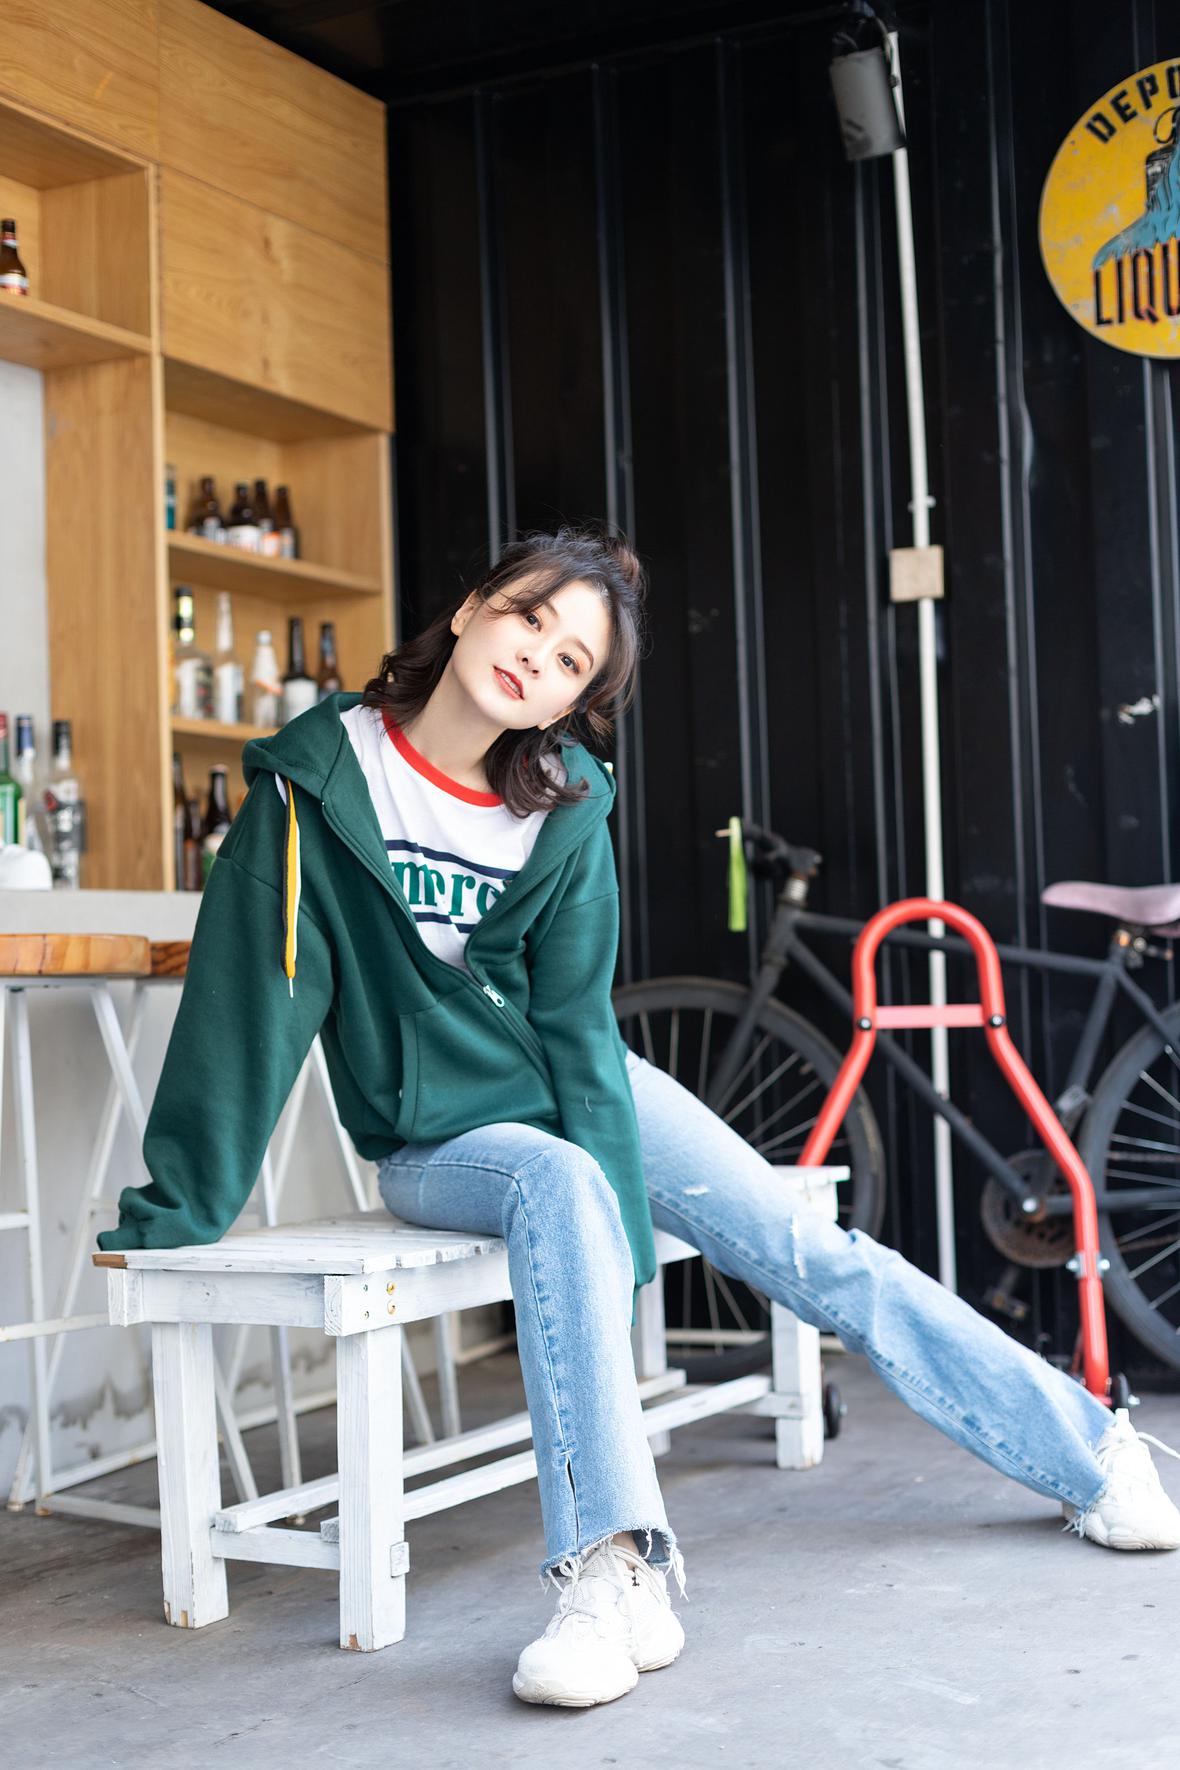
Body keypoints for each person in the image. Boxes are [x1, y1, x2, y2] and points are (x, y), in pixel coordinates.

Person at [97, 525, 1180, 1710]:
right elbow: (248, 1002)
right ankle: (613, 1574)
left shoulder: (559, 805)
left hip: (583, 1087)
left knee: (807, 1244)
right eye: (527, 618)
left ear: (574, 702)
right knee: (554, 1181)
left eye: (569, 661)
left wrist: (613, 1240)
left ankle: (1092, 1451)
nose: (535, 657)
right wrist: (178, 1203)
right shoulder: (315, 784)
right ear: (468, 609)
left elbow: (574, 1026)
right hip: (438, 1140)